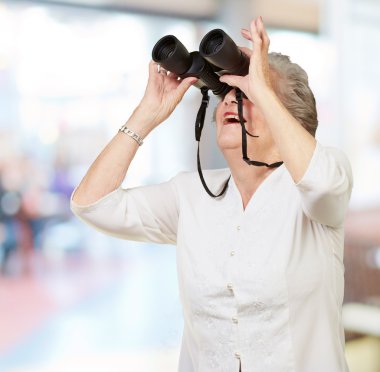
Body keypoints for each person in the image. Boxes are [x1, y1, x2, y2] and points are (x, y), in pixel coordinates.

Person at [71, 17, 353, 372]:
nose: (233, 101)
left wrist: (262, 87)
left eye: (250, 96)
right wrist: (147, 115)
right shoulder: (191, 194)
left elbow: (322, 183)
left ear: (289, 118)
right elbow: (91, 205)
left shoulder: (320, 182)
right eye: (228, 94)